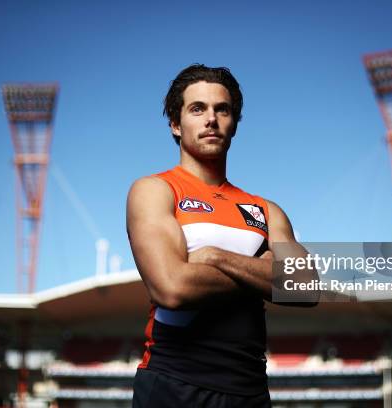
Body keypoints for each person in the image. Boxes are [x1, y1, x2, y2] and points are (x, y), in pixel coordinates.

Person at [127, 64, 317, 408]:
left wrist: (215, 256)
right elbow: (172, 287)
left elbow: (306, 284)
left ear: (234, 124)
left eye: (222, 109)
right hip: (173, 385)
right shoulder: (155, 190)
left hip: (250, 391)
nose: (210, 119)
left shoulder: (265, 210)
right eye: (197, 108)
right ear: (175, 123)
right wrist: (264, 272)